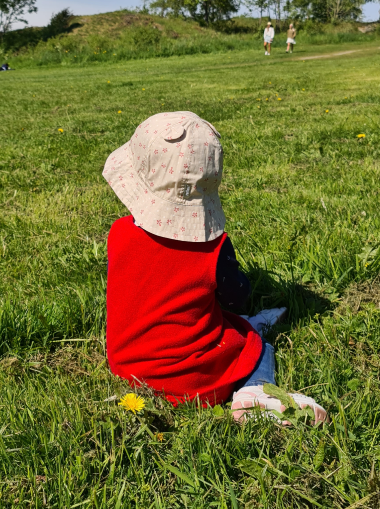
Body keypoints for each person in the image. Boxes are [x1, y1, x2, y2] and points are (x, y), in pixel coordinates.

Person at [102, 111, 327, 423]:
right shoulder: (214, 248)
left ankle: (255, 329)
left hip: (127, 368)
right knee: (255, 344)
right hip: (190, 383)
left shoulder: (119, 233)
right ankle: (256, 392)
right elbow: (236, 299)